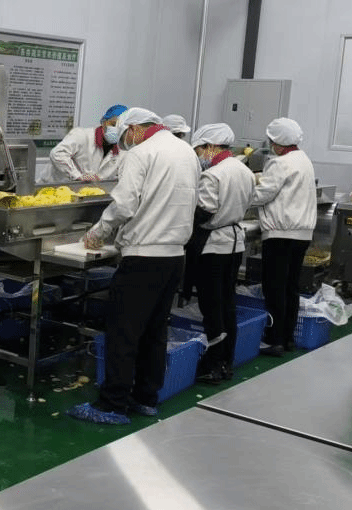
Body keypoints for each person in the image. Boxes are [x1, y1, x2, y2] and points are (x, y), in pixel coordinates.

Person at [67, 108, 198, 425]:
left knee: (123, 332)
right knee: (155, 331)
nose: (125, 141)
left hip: (143, 256)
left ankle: (111, 405)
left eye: (125, 134)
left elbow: (124, 204)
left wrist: (98, 232)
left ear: (136, 129)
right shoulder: (187, 152)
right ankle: (145, 398)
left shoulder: (142, 153)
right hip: (174, 256)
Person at [186, 124, 257, 384]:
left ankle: (212, 365)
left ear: (210, 147)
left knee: (211, 306)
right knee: (227, 303)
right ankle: (227, 361)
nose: (200, 156)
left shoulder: (213, 175)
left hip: (214, 246)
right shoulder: (244, 170)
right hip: (235, 244)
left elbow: (204, 212)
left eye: (199, 150)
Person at [250, 117, 316, 357]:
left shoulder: (279, 163)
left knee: (274, 288)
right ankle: (287, 338)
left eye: (272, 141)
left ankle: (274, 340)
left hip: (281, 234)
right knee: (290, 287)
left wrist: (239, 192)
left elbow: (262, 195)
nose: (270, 145)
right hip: (302, 234)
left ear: (278, 142)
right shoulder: (303, 159)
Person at [47, 104, 128, 183]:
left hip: (87, 190)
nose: (117, 129)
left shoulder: (122, 151)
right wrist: (77, 176)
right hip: (55, 186)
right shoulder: (82, 135)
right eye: (113, 124)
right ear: (104, 122)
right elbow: (57, 154)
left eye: (121, 127)